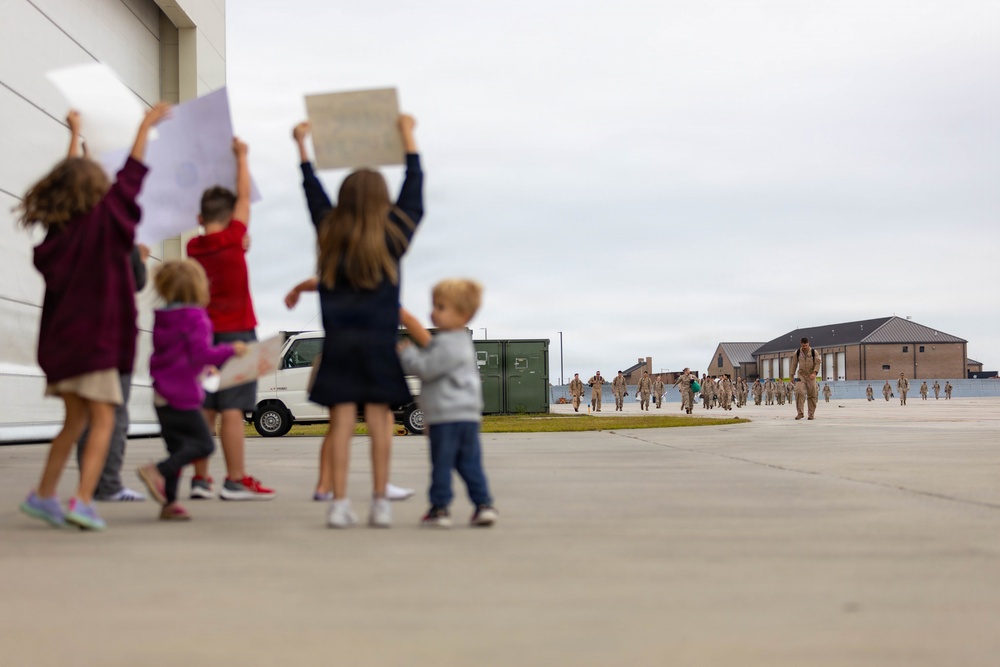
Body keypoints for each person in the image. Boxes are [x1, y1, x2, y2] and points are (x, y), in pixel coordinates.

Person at [17, 105, 169, 530]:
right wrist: (143, 127)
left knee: (74, 423)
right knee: (104, 419)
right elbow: (132, 178)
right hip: (96, 346)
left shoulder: (59, 231)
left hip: (62, 350)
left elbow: (73, 180)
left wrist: (75, 137)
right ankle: (82, 499)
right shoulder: (105, 223)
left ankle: (43, 495)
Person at [293, 115, 423, 528]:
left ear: (343, 200)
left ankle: (340, 504)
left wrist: (302, 147)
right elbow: (415, 191)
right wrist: (407, 136)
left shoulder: (329, 236)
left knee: (342, 425)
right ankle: (381, 502)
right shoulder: (394, 239)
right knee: (382, 425)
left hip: (339, 348)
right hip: (380, 348)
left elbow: (312, 194)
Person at [186, 138, 274, 501]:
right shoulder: (236, 237)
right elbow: (243, 198)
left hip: (203, 336)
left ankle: (200, 480)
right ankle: (235, 479)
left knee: (206, 408)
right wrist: (242, 156)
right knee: (233, 408)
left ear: (199, 219)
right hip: (238, 332)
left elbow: (236, 205)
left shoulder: (194, 247)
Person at [284, 276, 414, 502]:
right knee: (374, 418)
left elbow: (316, 282)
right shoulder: (375, 280)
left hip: (339, 355)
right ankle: (374, 485)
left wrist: (296, 289)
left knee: (341, 423)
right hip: (362, 357)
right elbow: (404, 316)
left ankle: (326, 486)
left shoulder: (337, 277)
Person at [136, 260, 247, 520]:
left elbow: (178, 356)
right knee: (203, 445)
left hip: (162, 394)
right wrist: (232, 350)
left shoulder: (164, 317)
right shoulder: (196, 318)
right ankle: (157, 471)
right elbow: (201, 353)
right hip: (182, 396)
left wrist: (204, 369)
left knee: (178, 449)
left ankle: (169, 504)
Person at [398, 281, 497, 528]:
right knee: (469, 462)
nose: (433, 312)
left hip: (447, 416)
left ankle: (440, 509)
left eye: (440, 307)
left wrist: (408, 355)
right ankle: (483, 504)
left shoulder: (447, 343)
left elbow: (426, 369)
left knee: (441, 463)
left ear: (463, 314)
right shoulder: (462, 343)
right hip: (467, 417)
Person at [74, 242, 150, 503]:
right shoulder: (120, 235)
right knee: (114, 412)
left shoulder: (79, 232)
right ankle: (107, 484)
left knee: (87, 413)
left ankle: (89, 481)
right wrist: (140, 259)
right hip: (114, 335)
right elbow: (136, 282)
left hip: (82, 331)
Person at [789, 337, 821, 420]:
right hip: (801, 376)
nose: (805, 347)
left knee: (812, 395)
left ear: (808, 343)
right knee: (799, 392)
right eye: (803, 346)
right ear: (801, 344)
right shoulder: (797, 353)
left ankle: (811, 414)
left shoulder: (814, 352)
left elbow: (818, 363)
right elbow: (794, 364)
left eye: (806, 345)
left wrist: (814, 373)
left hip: (811, 376)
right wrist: (791, 376)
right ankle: (800, 413)